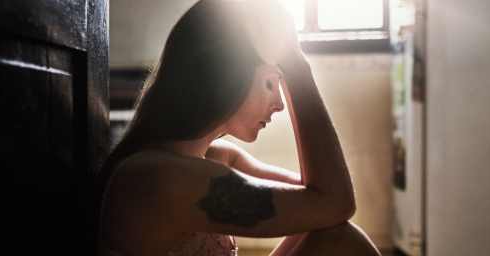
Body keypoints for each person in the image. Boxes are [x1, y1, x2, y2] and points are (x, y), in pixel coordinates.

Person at [98, 0, 382, 255]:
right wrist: (296, 64)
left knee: (334, 234)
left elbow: (324, 204)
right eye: (272, 82)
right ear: (225, 76)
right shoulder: (160, 176)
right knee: (339, 240)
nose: (280, 104)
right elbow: (335, 201)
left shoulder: (220, 157)